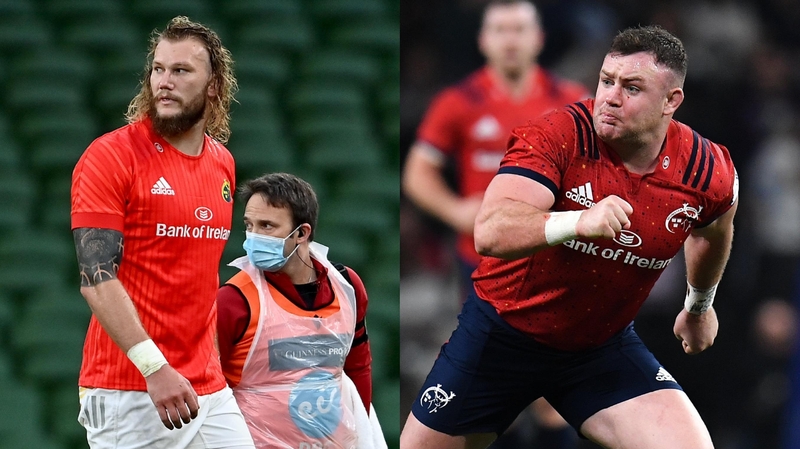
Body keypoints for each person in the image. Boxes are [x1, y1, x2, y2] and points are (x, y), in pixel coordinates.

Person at [401, 24, 739, 449]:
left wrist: (699, 305)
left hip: (599, 349)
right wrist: (576, 222)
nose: (611, 97)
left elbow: (714, 227)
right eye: (606, 81)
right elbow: (491, 230)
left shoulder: (706, 170)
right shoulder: (557, 134)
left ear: (672, 101)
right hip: (503, 336)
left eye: (631, 88)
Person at [401, 1, 587, 445]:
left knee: (551, 394)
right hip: (484, 266)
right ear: (483, 40)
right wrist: (454, 210)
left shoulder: (571, 101)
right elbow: (417, 171)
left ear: (538, 39)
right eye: (500, 29)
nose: (510, 39)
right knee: (492, 390)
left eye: (519, 29)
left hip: (555, 264)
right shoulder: (458, 102)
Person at [70, 16, 255, 448]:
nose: (164, 81)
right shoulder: (110, 156)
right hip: (130, 389)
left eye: (181, 70)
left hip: (206, 387)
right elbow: (96, 279)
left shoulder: (222, 163)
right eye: (158, 69)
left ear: (213, 86)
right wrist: (155, 368)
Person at [216, 173, 384, 448]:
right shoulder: (233, 300)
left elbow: (358, 365)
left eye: (267, 226)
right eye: (249, 225)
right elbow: (212, 388)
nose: (253, 238)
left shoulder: (347, 286)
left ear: (302, 233)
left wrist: (359, 431)